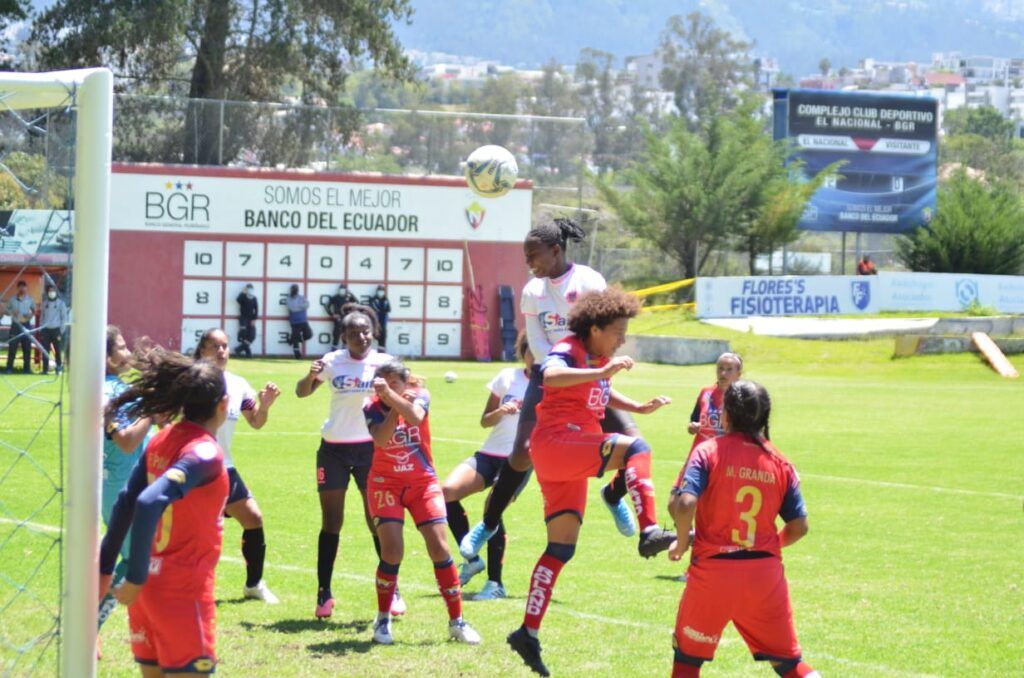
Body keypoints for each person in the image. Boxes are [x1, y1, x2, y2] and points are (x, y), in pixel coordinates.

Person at [507, 287, 676, 676]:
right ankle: (648, 528)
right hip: (561, 442)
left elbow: (598, 387)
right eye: (617, 331)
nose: (622, 340)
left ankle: (527, 632)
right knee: (637, 450)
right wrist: (601, 371)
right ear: (595, 327)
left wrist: (635, 406)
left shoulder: (597, 358)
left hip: (563, 455)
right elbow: (550, 374)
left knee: (560, 550)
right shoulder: (569, 347)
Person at [461, 218, 641, 561]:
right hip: (550, 376)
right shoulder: (532, 291)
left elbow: (602, 330)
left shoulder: (588, 281)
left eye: (534, 256)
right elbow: (537, 340)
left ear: (555, 250)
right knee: (522, 452)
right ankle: (488, 523)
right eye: (526, 257)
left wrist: (585, 370)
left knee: (634, 440)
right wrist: (560, 366)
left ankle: (614, 495)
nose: (529, 263)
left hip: (589, 375)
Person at [666, 381, 817, 678]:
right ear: (764, 418)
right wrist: (770, 544)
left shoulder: (708, 451)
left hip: (714, 574)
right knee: (789, 664)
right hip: (764, 574)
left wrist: (682, 543)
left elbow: (684, 505)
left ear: (725, 415)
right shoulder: (780, 461)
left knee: (687, 659)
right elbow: (799, 526)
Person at [98, 349, 230, 676]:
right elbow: (146, 502)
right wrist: (136, 577)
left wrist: (105, 571)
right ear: (223, 404)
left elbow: (127, 499)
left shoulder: (162, 438)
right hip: (181, 592)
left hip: (147, 597)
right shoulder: (204, 453)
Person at [295, 304, 405, 619]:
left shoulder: (385, 363)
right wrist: (310, 375)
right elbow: (302, 392)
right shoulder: (331, 361)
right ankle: (323, 594)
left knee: (378, 522)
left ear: (374, 332)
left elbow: (406, 391)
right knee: (332, 523)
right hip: (334, 451)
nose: (361, 336)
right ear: (344, 336)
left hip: (371, 451)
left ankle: (392, 590)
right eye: (354, 333)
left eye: (365, 331)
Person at [364, 359, 481, 645]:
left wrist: (392, 399)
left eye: (395, 384)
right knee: (392, 551)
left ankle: (457, 622)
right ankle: (382, 620)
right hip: (385, 484)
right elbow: (380, 440)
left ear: (406, 384)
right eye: (384, 384)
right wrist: (392, 404)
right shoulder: (370, 406)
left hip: (422, 484)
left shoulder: (421, 395)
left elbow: (415, 418)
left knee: (440, 548)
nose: (389, 389)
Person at [442, 333, 532, 600]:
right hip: (489, 453)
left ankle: (495, 584)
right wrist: (500, 412)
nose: (534, 357)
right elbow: (485, 421)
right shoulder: (506, 377)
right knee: (445, 492)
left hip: (519, 460)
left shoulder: (550, 384)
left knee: (491, 510)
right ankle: (471, 560)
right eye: (529, 351)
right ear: (524, 351)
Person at [194, 328, 282, 603]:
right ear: (202, 351)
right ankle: (189, 585)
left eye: (225, 346)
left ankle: (254, 585)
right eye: (214, 346)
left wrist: (265, 406)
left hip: (224, 467)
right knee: (198, 531)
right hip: (194, 466)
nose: (221, 351)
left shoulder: (237, 383)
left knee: (253, 518)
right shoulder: (192, 380)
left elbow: (256, 421)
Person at [97, 327, 156, 633]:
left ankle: (89, 623)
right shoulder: (107, 394)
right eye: (120, 348)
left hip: (131, 487)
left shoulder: (117, 386)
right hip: (121, 489)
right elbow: (127, 442)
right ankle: (88, 625)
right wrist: (151, 409)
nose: (127, 353)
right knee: (135, 560)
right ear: (105, 356)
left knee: (134, 558)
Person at [687, 352, 743, 453]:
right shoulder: (705, 393)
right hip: (702, 454)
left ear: (739, 373)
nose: (723, 374)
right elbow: (693, 421)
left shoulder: (744, 397)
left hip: (727, 455)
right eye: (720, 368)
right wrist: (692, 427)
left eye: (729, 369)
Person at [5, 279, 35, 374]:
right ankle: (9, 368)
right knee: (12, 347)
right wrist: (11, 312)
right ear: (17, 288)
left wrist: (30, 315)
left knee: (27, 348)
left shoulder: (30, 300)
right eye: (20, 287)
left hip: (26, 325)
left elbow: (33, 311)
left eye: (24, 287)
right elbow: (6, 311)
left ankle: (26, 369)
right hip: (15, 325)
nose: (22, 289)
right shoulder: (12, 299)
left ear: (26, 288)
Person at [39, 283, 69, 375]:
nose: (51, 292)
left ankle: (58, 368)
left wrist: (61, 330)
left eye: (53, 291)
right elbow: (42, 316)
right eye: (50, 291)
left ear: (56, 292)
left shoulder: (61, 303)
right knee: (45, 350)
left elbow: (64, 318)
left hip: (56, 330)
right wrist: (41, 328)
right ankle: (45, 369)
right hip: (46, 330)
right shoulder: (44, 303)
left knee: (58, 350)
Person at [326, 283, 357, 351]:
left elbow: (357, 302)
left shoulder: (348, 297)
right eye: (341, 289)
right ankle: (333, 351)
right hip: (338, 318)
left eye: (343, 289)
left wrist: (350, 293)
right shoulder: (335, 297)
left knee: (346, 334)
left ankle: (345, 350)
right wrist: (332, 314)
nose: (342, 290)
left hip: (347, 318)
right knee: (336, 335)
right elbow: (327, 306)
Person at [286, 284, 312, 359]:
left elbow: (307, 305)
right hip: (294, 321)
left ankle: (292, 339)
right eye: (294, 288)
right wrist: (301, 306)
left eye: (296, 288)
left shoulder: (301, 297)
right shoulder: (288, 298)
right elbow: (292, 308)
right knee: (296, 339)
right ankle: (297, 355)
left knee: (309, 334)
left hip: (303, 320)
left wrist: (297, 306)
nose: (295, 290)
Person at [236, 284, 259, 358]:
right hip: (243, 318)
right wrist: (243, 292)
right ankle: (248, 353)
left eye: (251, 289)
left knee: (252, 336)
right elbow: (238, 300)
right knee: (243, 333)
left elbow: (256, 309)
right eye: (249, 289)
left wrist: (254, 319)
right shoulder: (243, 296)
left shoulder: (254, 298)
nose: (250, 290)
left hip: (251, 319)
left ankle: (239, 349)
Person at [369, 285, 391, 350]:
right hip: (374, 323)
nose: (381, 292)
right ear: (377, 291)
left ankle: (381, 353)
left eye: (382, 290)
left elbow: (389, 309)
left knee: (383, 338)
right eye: (379, 290)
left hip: (383, 322)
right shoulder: (373, 299)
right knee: (370, 337)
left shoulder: (386, 300)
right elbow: (373, 309)